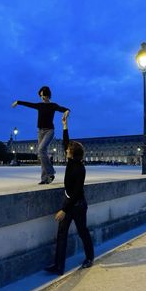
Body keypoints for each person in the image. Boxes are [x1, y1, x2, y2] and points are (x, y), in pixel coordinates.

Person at [45, 115, 94, 275]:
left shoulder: (80, 168)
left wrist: (64, 210)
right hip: (69, 202)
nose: (65, 150)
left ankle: (90, 257)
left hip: (77, 205)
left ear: (73, 154)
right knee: (61, 235)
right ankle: (59, 266)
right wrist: (65, 125)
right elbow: (66, 142)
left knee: (82, 232)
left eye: (68, 150)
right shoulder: (72, 162)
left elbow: (77, 192)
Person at [12, 86, 70, 184]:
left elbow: (65, 109)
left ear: (48, 95)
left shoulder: (53, 105)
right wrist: (18, 102)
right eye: (41, 95)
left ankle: (50, 172)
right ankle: (45, 179)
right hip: (40, 131)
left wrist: (67, 112)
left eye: (43, 95)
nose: (42, 97)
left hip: (49, 131)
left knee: (41, 150)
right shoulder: (39, 105)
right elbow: (29, 104)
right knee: (42, 154)